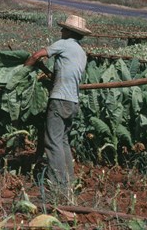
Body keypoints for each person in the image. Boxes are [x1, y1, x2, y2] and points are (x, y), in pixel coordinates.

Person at [24, 15, 91, 201]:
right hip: (73, 102)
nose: (61, 31)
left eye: (63, 29)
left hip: (60, 99)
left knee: (52, 142)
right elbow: (64, 73)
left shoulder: (65, 43)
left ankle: (57, 190)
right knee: (62, 141)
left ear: (70, 32)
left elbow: (37, 55)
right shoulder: (81, 52)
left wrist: (21, 72)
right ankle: (69, 182)